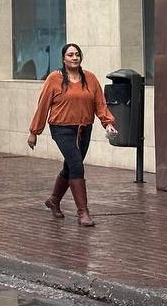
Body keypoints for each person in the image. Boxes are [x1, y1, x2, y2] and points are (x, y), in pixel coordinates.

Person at [27, 42, 117, 227]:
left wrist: (107, 123)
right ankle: (83, 213)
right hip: (61, 129)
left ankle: (53, 200)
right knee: (77, 166)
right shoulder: (54, 78)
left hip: (84, 128)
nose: (74, 57)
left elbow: (100, 104)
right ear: (63, 59)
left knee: (70, 167)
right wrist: (34, 132)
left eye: (77, 54)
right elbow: (43, 105)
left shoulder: (90, 79)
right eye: (70, 54)